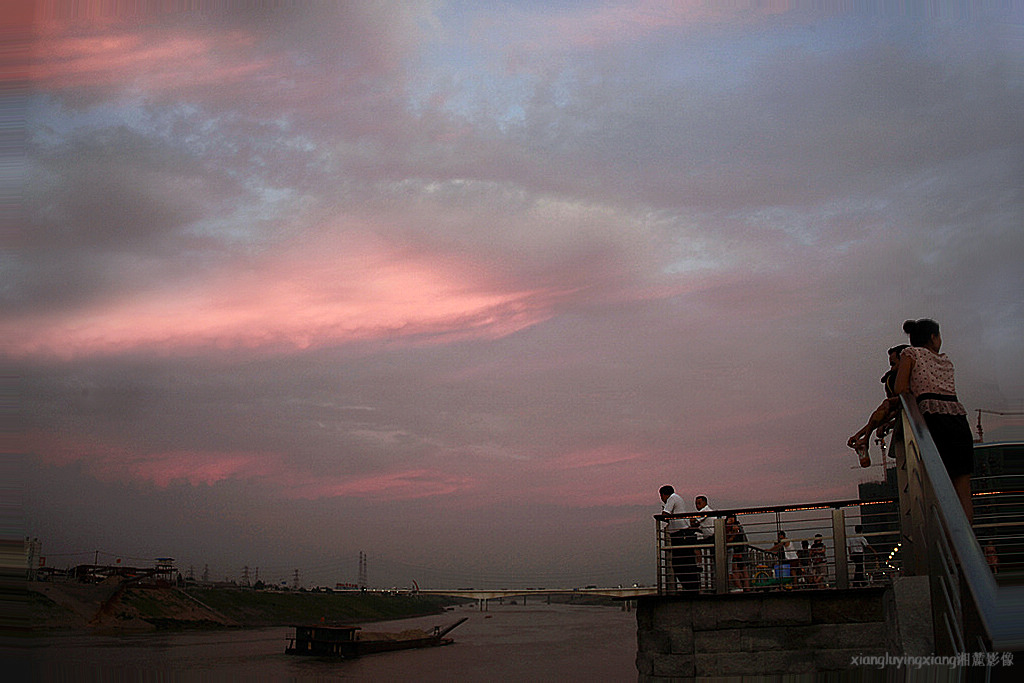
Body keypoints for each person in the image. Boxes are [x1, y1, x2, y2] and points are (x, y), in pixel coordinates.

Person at [893, 319, 974, 522]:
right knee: (963, 491)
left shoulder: (910, 354)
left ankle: (946, 544)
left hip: (933, 421)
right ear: (933, 337)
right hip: (958, 419)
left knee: (939, 488)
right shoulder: (945, 360)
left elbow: (900, 388)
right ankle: (962, 549)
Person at [848, 344, 909, 467]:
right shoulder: (894, 379)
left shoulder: (903, 380)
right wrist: (861, 434)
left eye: (893, 364)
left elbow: (886, 411)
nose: (891, 369)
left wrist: (864, 437)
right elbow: (886, 415)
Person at [657, 485, 698, 592]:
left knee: (680, 564)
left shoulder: (672, 498)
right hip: (681, 533)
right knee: (685, 563)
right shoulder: (676, 498)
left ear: (664, 494)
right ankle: (691, 587)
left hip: (681, 534)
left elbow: (665, 513)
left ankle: (690, 588)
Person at [725, 515, 749, 591]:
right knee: (742, 571)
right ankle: (746, 588)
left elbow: (731, 539)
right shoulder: (739, 527)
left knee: (735, 571)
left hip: (735, 551)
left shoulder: (732, 527)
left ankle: (739, 588)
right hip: (741, 551)